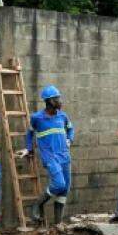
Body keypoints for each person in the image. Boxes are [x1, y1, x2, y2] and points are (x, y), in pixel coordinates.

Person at [23, 84, 74, 224]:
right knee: (58, 184)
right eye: (57, 98)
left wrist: (69, 139)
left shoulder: (63, 116)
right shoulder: (37, 118)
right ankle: (37, 204)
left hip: (64, 156)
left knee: (65, 189)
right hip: (50, 157)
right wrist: (29, 148)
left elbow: (70, 129)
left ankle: (58, 224)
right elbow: (29, 133)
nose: (60, 101)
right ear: (49, 101)